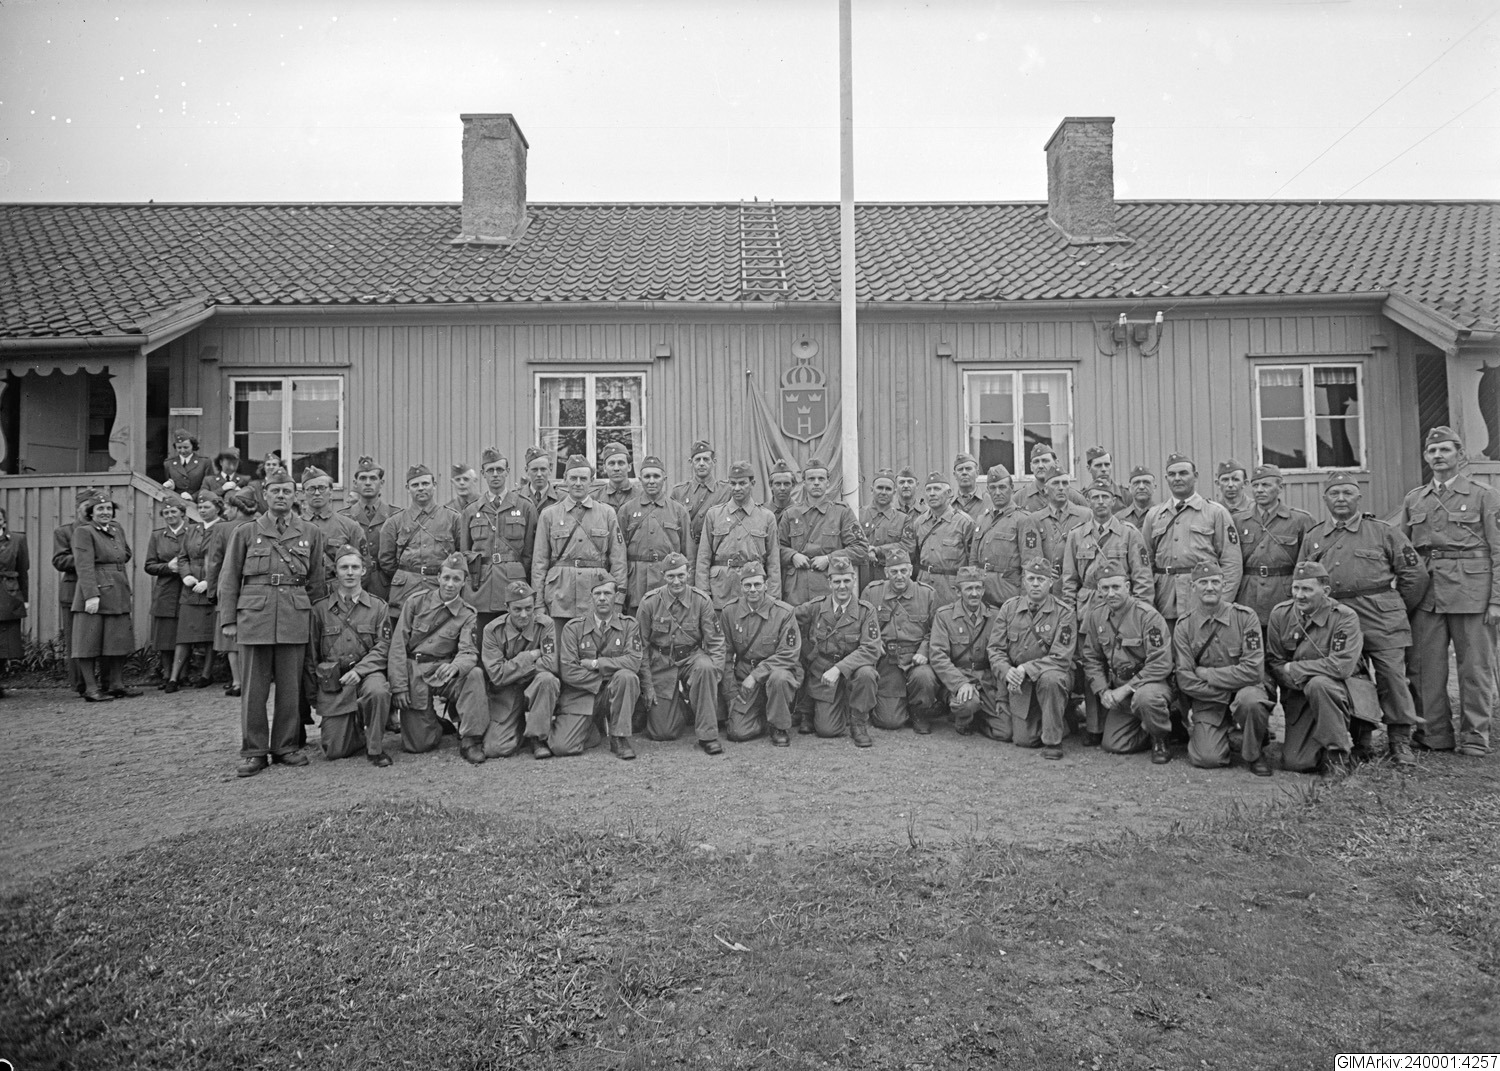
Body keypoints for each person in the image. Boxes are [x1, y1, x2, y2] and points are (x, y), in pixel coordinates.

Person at [1299, 471, 1428, 765]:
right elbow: (1303, 579)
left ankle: (1399, 740)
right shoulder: (1314, 537)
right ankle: (1362, 740)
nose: (1341, 498)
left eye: (1347, 493)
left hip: (1381, 618)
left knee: (1392, 677)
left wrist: (1394, 607)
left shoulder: (1383, 532)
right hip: (1336, 620)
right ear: (1325, 499)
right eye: (1334, 493)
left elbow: (1415, 575)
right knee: (1352, 679)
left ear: (1359, 497)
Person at [219, 468, 326, 776]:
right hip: (255, 616)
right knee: (254, 690)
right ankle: (254, 751)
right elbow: (229, 578)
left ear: (296, 496)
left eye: (287, 491)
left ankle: (285, 746)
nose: (281, 496)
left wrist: (314, 620)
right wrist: (229, 620)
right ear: (265, 494)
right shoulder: (246, 532)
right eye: (275, 491)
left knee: (290, 688)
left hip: (294, 615)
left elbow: (317, 581)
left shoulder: (310, 532)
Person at [1401, 425, 1500, 757]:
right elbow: (1404, 553)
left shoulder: (1483, 495)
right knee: (1424, 667)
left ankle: (1475, 735)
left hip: (1472, 592)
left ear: (1461, 455)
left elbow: (1498, 549)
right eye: (1432, 451)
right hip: (1427, 594)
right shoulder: (1415, 499)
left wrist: (1496, 600)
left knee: (1475, 667)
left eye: (1445, 449)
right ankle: (1433, 734)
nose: (1438, 455)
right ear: (1426, 457)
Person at [1172, 560, 1273, 775]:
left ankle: (1255, 753)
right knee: (1206, 758)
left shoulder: (1245, 617)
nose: (1209, 587)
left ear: (1224, 585)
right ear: (1193, 587)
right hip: (1210, 700)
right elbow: (1185, 679)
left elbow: (1254, 671)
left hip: (1244, 693)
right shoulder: (1184, 626)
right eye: (1203, 583)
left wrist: (1208, 673)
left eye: (1215, 582)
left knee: (1251, 700)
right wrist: (1227, 695)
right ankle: (1230, 736)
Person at [387, 552, 487, 761]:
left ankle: (471, 739)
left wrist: (456, 666)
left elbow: (469, 651)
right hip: (414, 672)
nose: (450, 584)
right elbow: (398, 646)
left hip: (443, 671)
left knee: (474, 674)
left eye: (456, 579)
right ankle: (434, 722)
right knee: (419, 745)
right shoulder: (416, 602)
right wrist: (399, 686)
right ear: (439, 577)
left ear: (464, 582)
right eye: (446, 577)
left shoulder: (467, 614)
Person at [1266, 561, 1363, 773]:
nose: (1299, 595)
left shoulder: (1344, 617)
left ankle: (1338, 759)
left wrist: (1295, 669)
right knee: (1296, 763)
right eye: (1296, 588)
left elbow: (1342, 666)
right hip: (1300, 694)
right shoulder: (1280, 614)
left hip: (1339, 693)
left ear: (1325, 591)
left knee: (1319, 684)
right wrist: (1297, 679)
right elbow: (1275, 662)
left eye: (1307, 589)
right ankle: (1319, 746)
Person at [304, 544, 393, 767]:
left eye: (355, 567)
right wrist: (315, 694)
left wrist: (360, 671)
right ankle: (355, 728)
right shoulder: (320, 609)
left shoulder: (378, 607)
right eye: (344, 568)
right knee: (335, 751)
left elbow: (383, 646)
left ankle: (375, 748)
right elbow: (311, 655)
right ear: (336, 571)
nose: (350, 572)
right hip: (336, 681)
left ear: (364, 570)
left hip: (367, 675)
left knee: (378, 691)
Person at [1078, 560, 1175, 763]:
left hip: (1150, 684)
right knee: (1114, 744)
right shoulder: (1096, 616)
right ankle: (1157, 727)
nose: (1111, 593)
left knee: (1145, 698)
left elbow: (1160, 663)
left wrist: (1126, 689)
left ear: (1128, 587)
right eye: (1105, 588)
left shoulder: (1147, 616)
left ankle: (1160, 738)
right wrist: (1103, 691)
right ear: (1098, 590)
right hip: (1119, 689)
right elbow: (1091, 657)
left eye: (1116, 587)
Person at [1139, 452, 1243, 634]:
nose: (1177, 478)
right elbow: (1144, 563)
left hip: (1203, 599)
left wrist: (1221, 603)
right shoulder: (1154, 515)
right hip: (1165, 600)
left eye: (1183, 473)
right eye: (1172, 474)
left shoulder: (1215, 513)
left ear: (1195, 476)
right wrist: (1148, 602)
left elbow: (1232, 563)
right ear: (1166, 478)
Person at [635, 552, 726, 752]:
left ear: (688, 573)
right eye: (671, 576)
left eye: (681, 575)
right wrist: (647, 685)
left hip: (691, 658)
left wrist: (715, 676)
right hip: (661, 662)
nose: (676, 581)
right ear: (663, 576)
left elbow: (716, 642)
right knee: (662, 732)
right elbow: (640, 646)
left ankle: (708, 736)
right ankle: (685, 708)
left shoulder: (701, 601)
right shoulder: (649, 602)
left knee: (706, 668)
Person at [986, 558, 1076, 756]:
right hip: (1020, 683)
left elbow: (1061, 657)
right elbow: (995, 649)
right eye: (1031, 579)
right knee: (1025, 740)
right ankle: (1060, 720)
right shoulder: (1009, 608)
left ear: (1050, 582)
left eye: (1041, 579)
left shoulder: (1064, 613)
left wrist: (1025, 669)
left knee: (1051, 679)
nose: (1036, 584)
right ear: (1024, 581)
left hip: (1051, 676)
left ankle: (1053, 742)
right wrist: (1007, 672)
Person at [794, 554, 883, 746]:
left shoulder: (866, 611)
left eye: (846, 581)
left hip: (853, 674)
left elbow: (871, 648)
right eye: (837, 581)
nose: (842, 586)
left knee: (867, 673)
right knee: (827, 730)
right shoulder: (817, 606)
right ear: (829, 583)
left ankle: (859, 723)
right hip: (823, 673)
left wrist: (839, 669)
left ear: (854, 581)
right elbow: (787, 617)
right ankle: (830, 708)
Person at [533, 454, 629, 632]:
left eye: (583, 479)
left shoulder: (606, 513)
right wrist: (538, 603)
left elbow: (618, 560)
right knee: (559, 646)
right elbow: (539, 562)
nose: (578, 483)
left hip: (596, 596)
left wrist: (618, 599)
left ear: (591, 481)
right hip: (559, 596)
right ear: (565, 480)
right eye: (573, 478)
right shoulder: (549, 515)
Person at [558, 575, 646, 760]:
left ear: (616, 597)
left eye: (607, 593)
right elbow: (568, 671)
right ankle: (592, 728)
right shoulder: (573, 628)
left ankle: (619, 737)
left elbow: (633, 662)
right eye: (597, 593)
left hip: (614, 691)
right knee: (562, 747)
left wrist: (596, 664)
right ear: (590, 597)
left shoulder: (629, 625)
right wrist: (605, 678)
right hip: (582, 694)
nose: (602, 598)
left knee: (626, 677)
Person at [718, 560, 803, 746]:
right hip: (745, 675)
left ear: (766, 585)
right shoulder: (730, 611)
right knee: (736, 732)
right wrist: (731, 693)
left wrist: (756, 676)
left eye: (757, 584)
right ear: (741, 586)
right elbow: (725, 654)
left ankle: (779, 726)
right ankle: (765, 718)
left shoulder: (784, 612)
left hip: (776, 673)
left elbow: (788, 654)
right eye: (747, 585)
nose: (753, 590)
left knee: (779, 678)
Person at [860, 547, 939, 733]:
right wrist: (874, 642)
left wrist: (924, 651)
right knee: (890, 722)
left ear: (911, 571)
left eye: (903, 571)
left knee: (925, 677)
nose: (899, 576)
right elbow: (862, 626)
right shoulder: (872, 592)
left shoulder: (927, 594)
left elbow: (936, 631)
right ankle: (894, 705)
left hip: (915, 659)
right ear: (886, 572)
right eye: (894, 572)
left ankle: (919, 712)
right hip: (887, 660)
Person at [71, 494, 141, 702]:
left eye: (109, 509)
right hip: (97, 591)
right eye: (100, 509)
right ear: (90, 513)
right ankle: (91, 689)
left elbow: (126, 553)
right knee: (88, 641)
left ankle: (116, 685)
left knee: (117, 640)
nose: (105, 513)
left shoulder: (116, 528)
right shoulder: (84, 531)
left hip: (118, 590)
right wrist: (91, 595)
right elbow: (84, 565)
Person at [460, 447, 538, 635]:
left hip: (513, 586)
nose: (495, 474)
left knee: (513, 638)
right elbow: (465, 552)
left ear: (507, 472)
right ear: (483, 474)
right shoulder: (471, 511)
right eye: (490, 470)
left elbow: (530, 554)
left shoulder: (525, 506)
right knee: (481, 638)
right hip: (480, 589)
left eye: (499, 470)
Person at [480, 580, 561, 760]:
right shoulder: (492, 630)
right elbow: (497, 675)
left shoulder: (545, 624)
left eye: (528, 608)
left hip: (535, 688)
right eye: (517, 609)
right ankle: (518, 726)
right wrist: (531, 655)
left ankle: (537, 737)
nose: (524, 615)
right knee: (495, 749)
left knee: (547, 679)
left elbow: (550, 664)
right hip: (506, 692)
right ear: (507, 607)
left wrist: (511, 670)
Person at [778, 457, 869, 607]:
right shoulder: (791, 514)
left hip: (829, 590)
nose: (816, 483)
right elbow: (776, 548)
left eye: (821, 479)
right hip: (796, 592)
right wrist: (792, 555)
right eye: (811, 479)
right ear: (804, 483)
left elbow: (861, 548)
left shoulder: (842, 512)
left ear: (828, 482)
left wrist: (829, 558)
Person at [928, 565, 1003, 741]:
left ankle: (978, 716)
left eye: (978, 588)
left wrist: (1000, 694)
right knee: (968, 703)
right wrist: (960, 683)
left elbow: (1001, 653)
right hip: (958, 676)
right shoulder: (944, 616)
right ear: (958, 591)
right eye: (969, 589)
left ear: (983, 590)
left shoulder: (995, 615)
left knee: (1004, 731)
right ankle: (963, 718)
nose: (974, 593)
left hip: (986, 679)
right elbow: (938, 656)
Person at [378, 464, 462, 621]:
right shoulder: (394, 522)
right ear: (407, 488)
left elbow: (461, 555)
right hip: (405, 590)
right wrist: (408, 574)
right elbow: (386, 561)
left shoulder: (453, 518)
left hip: (440, 587)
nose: (421, 488)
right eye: (415, 485)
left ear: (434, 485)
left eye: (425, 483)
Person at [1234, 464, 1314, 627]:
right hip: (1248, 596)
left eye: (1266, 485)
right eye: (1255, 485)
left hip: (1284, 597)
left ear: (1280, 488)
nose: (1259, 490)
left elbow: (1310, 563)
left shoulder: (1300, 520)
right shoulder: (1238, 520)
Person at [1061, 477, 1152, 619]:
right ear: (1088, 502)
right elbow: (1069, 581)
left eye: (1105, 497)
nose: (1100, 501)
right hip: (1087, 609)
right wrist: (1069, 616)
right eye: (1095, 497)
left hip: (1122, 609)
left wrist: (1139, 615)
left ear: (1113, 501)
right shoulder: (1076, 535)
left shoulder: (1129, 533)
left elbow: (1143, 579)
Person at [696, 460, 780, 609]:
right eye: (733, 483)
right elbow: (703, 558)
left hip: (754, 591)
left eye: (742, 483)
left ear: (752, 483)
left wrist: (773, 598)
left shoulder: (766, 517)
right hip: (720, 591)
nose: (737, 488)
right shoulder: (714, 514)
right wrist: (703, 595)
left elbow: (773, 561)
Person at [621, 455, 693, 612]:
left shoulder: (678, 511)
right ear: (640, 479)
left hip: (668, 582)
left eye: (656, 476)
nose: (651, 481)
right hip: (636, 584)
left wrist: (688, 589)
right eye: (647, 477)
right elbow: (619, 554)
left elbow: (688, 554)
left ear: (664, 479)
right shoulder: (627, 510)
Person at [206, 487, 257, 697]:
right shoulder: (261, 524)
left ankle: (237, 681)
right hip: (255, 591)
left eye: (228, 507)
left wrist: (212, 592)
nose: (226, 511)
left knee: (230, 641)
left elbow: (214, 563)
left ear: (236, 508)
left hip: (229, 588)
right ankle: (251, 680)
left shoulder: (222, 528)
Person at [170, 491, 220, 690]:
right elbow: (182, 557)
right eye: (200, 507)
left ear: (217, 508)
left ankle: (206, 675)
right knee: (184, 635)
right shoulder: (192, 529)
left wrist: (209, 582)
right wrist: (186, 575)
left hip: (211, 590)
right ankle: (174, 678)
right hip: (190, 590)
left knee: (210, 636)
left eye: (207, 507)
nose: (202, 510)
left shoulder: (223, 528)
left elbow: (225, 559)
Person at [299, 466, 365, 602]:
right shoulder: (293, 527)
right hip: (302, 594)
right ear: (303, 493)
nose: (317, 493)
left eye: (322, 488)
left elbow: (364, 565)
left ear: (331, 492)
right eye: (311, 489)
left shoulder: (349, 526)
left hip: (338, 594)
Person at [968, 464, 1028, 610]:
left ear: (1012, 488)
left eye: (1002, 487)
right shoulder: (982, 520)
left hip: (1008, 597)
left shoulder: (1023, 519)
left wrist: (1024, 603)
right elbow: (973, 561)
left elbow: (1029, 565)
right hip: (982, 598)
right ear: (987, 490)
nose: (997, 492)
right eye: (993, 488)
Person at [340, 454, 401, 600]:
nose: (368, 483)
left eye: (373, 478)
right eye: (363, 478)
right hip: (352, 583)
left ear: (382, 482)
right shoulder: (343, 517)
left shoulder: (396, 515)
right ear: (355, 483)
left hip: (386, 584)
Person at [144, 498, 190, 687]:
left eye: (173, 512)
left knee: (185, 632)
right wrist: (167, 567)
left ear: (182, 513)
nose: (170, 516)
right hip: (165, 590)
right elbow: (149, 565)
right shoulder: (157, 536)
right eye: (166, 513)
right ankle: (167, 674)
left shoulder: (192, 532)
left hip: (187, 587)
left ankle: (183, 674)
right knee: (165, 635)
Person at [913, 471, 974, 607]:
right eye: (928, 489)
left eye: (937, 489)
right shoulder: (919, 523)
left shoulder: (964, 522)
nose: (932, 493)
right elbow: (916, 557)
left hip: (952, 591)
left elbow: (972, 562)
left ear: (949, 493)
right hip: (924, 588)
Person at [1026, 470, 1091, 592]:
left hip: (1078, 585)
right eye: (1056, 483)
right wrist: (1043, 569)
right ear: (1045, 489)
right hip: (1048, 586)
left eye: (1065, 483)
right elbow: (1031, 554)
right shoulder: (1035, 519)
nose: (1061, 488)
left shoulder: (1085, 515)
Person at [55, 490, 93, 695]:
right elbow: (59, 560)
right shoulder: (64, 532)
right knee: (75, 640)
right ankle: (80, 684)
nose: (90, 511)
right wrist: (87, 557)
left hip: (100, 589)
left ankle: (103, 682)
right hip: (73, 590)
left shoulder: (106, 530)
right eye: (86, 507)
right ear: (78, 508)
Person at [859, 468, 918, 588]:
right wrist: (866, 550)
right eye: (880, 488)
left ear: (894, 492)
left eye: (888, 489)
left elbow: (908, 547)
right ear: (871, 489)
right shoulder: (858, 515)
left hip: (891, 580)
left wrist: (878, 550)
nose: (883, 492)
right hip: (862, 576)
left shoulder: (904, 519)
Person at [671, 439, 732, 548]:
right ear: (691, 462)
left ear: (714, 462)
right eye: (698, 459)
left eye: (706, 459)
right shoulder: (679, 492)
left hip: (716, 549)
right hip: (688, 550)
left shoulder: (726, 491)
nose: (702, 463)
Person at [0, 507, 29, 694]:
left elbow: (23, 571)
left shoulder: (17, 540)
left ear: (3, 521)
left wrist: (25, 598)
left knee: (4, 642)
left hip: (8, 594)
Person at [1017, 444, 1086, 512]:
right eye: (1036, 462)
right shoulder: (1020, 497)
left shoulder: (1073, 497)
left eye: (1045, 461)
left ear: (1056, 463)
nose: (1040, 466)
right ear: (1031, 467)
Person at [161, 428, 211, 498]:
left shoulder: (204, 462)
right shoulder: (168, 463)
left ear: (193, 446)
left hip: (198, 501)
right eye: (179, 448)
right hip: (176, 500)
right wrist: (171, 487)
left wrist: (193, 497)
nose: (183, 451)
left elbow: (209, 486)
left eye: (186, 447)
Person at [595, 442, 639, 511]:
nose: (616, 468)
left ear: (629, 467)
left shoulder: (640, 496)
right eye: (611, 463)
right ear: (604, 468)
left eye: (621, 463)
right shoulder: (595, 498)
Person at [519, 446, 565, 514]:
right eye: (534, 470)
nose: (539, 474)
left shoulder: (563, 499)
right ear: (526, 470)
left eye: (543, 469)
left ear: (550, 469)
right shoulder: (516, 497)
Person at [1084, 446, 1129, 512]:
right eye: (1098, 465)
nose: (1104, 469)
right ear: (1089, 468)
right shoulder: (1083, 497)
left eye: (1107, 465)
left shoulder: (1126, 496)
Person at [1115, 466, 1156, 531]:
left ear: (1154, 487)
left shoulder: (1161, 516)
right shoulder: (1118, 518)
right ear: (1129, 488)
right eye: (1136, 483)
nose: (1141, 487)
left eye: (1146, 482)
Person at [951, 452, 985, 520]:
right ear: (955, 475)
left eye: (968, 469)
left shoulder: (989, 500)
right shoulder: (948, 503)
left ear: (977, 473)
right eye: (960, 469)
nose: (964, 472)